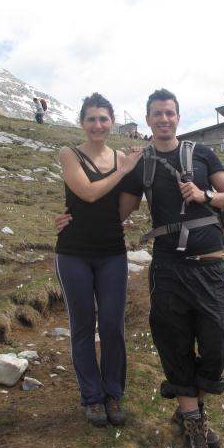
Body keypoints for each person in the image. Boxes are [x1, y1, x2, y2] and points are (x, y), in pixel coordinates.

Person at [117, 88, 224, 448]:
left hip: (209, 267)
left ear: (177, 116)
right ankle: (192, 422)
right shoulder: (143, 163)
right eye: (157, 113)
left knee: (218, 341)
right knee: (173, 342)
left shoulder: (202, 154)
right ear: (148, 118)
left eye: (169, 113)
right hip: (169, 268)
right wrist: (120, 173)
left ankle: (194, 409)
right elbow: (121, 212)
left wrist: (205, 194)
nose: (164, 119)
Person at [55, 92, 143, 427]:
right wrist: (124, 171)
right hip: (73, 252)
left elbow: (121, 211)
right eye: (91, 118)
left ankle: (113, 393)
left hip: (111, 252)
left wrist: (130, 177)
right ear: (82, 122)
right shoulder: (69, 153)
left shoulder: (122, 157)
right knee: (81, 326)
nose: (97, 124)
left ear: (112, 123)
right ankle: (92, 398)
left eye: (103, 118)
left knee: (111, 325)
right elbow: (88, 193)